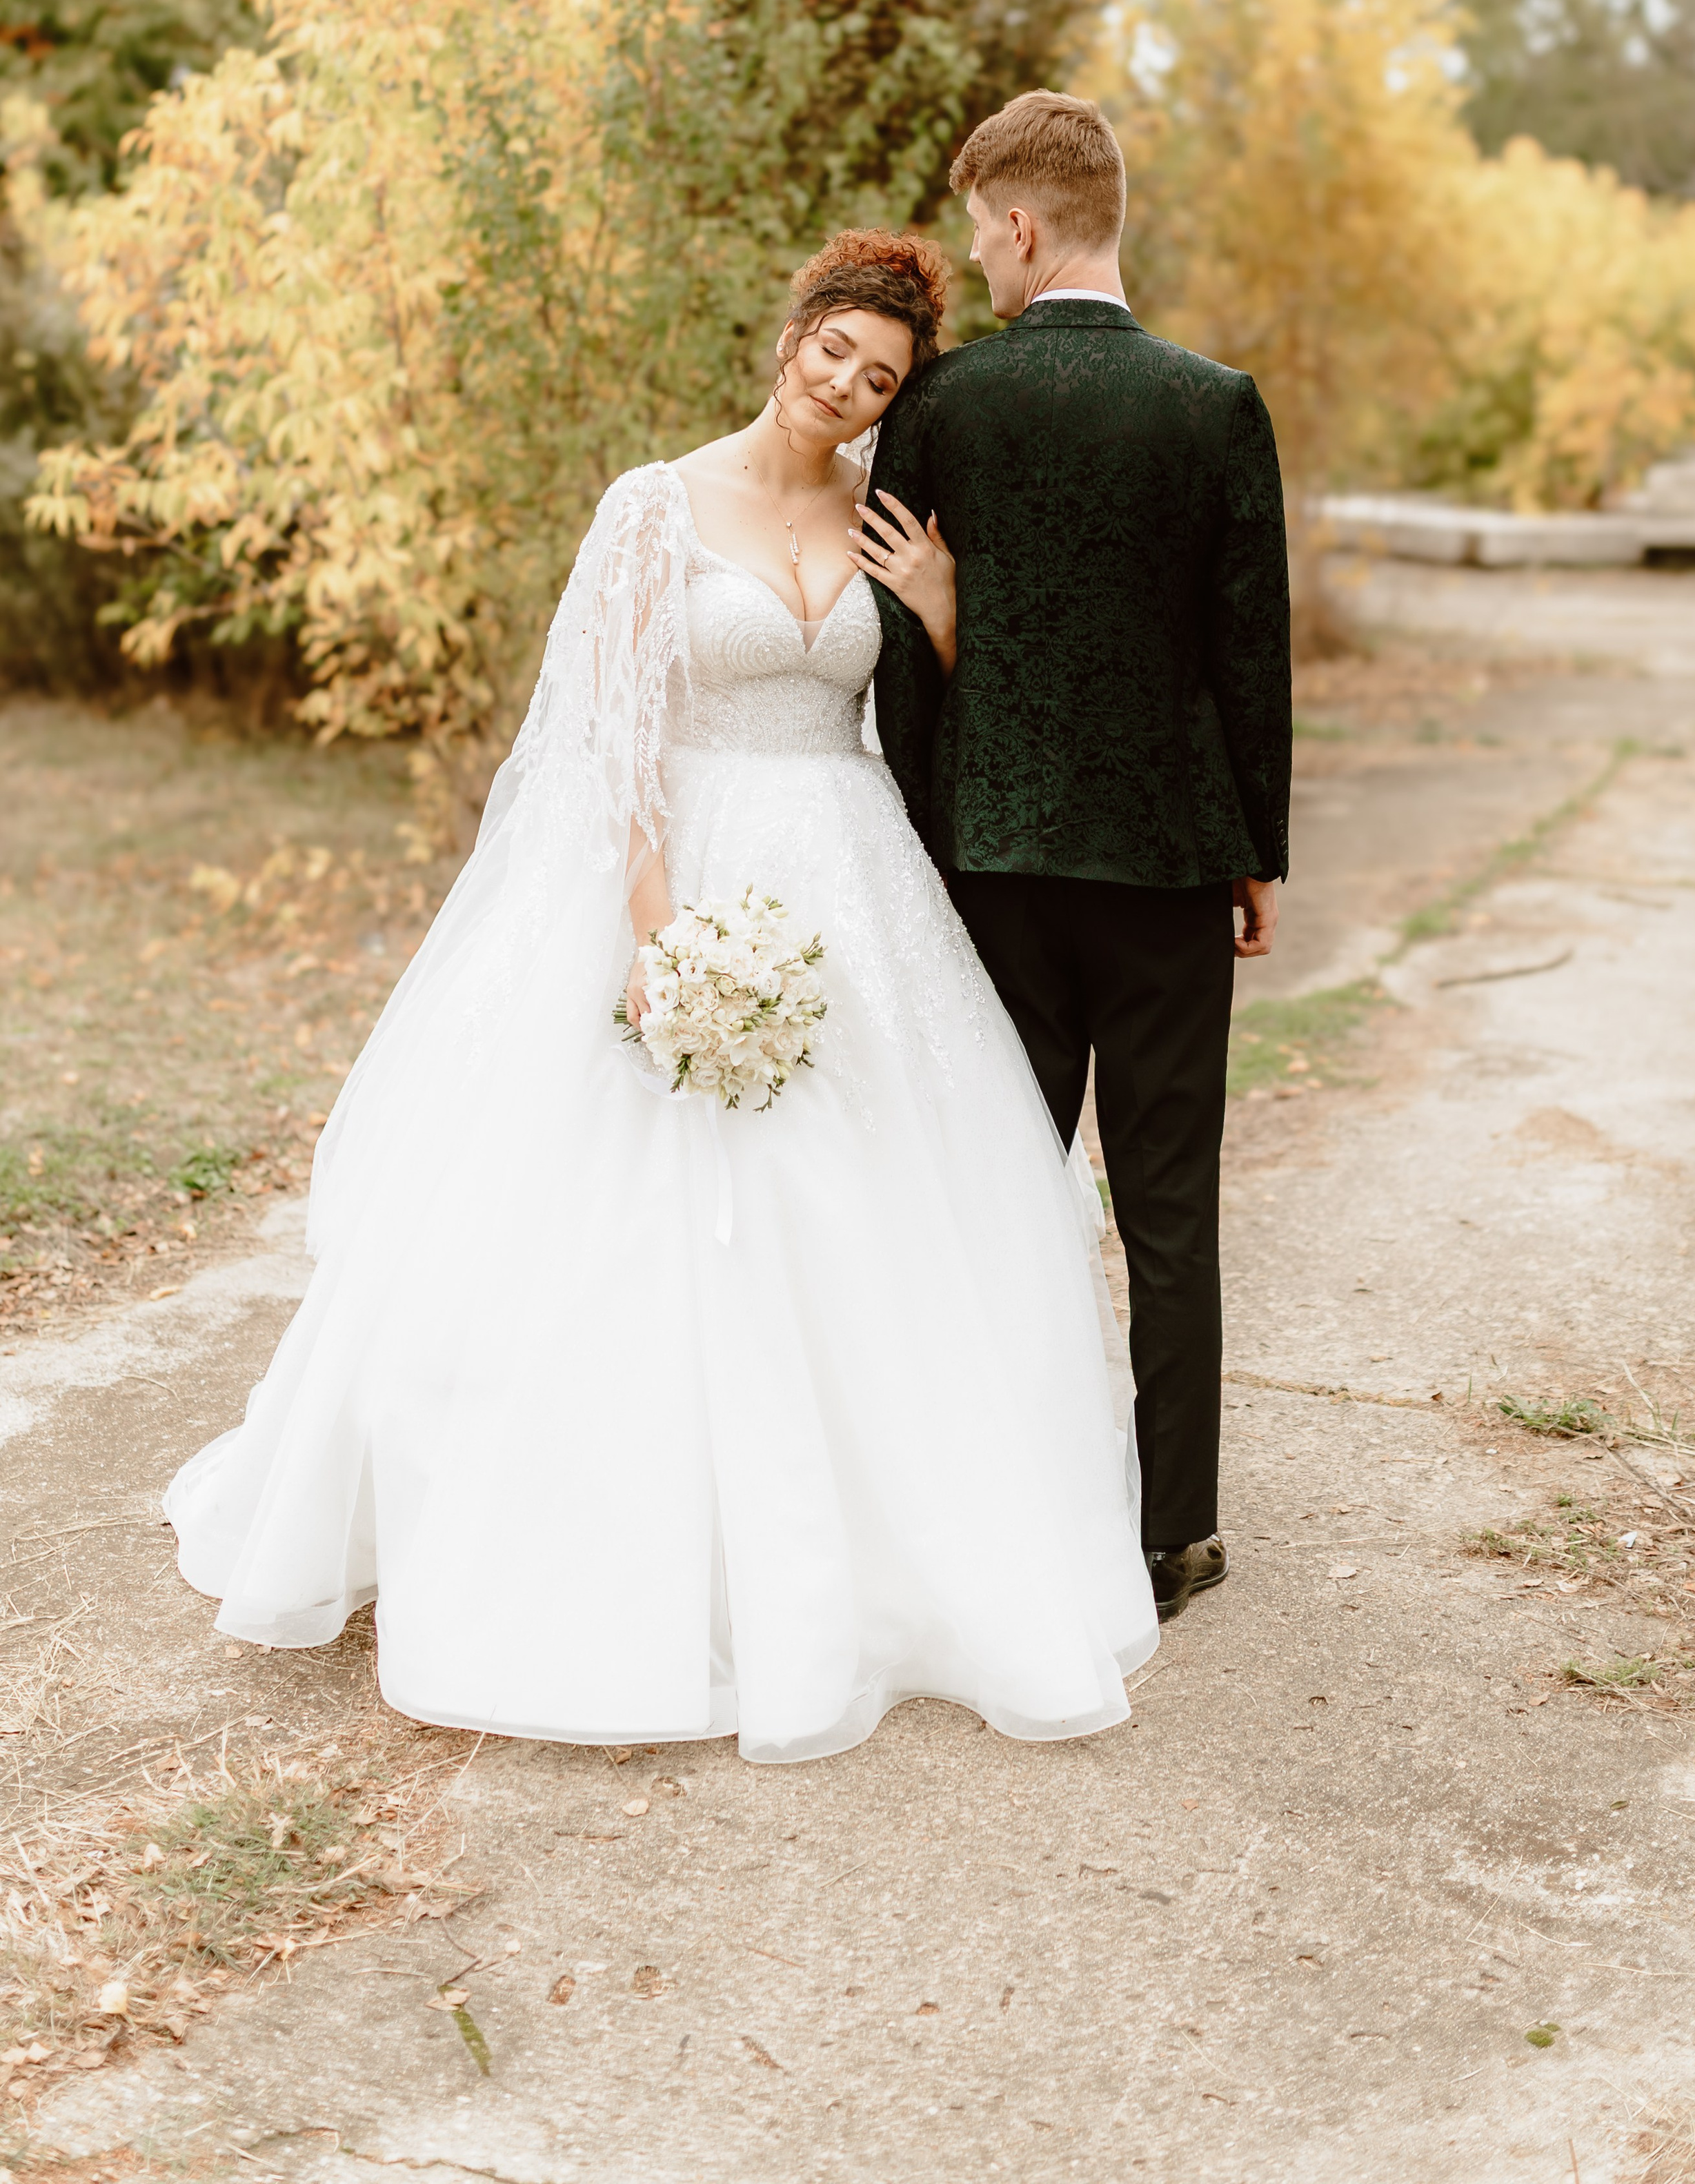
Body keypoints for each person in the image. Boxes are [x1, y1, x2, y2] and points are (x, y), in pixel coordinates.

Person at [165, 228, 1157, 1764]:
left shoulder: (891, 516)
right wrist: (653, 932)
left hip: (847, 875)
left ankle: (872, 1545)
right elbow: (612, 734)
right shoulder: (651, 507)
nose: (845, 382)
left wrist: (944, 609)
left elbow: (926, 712)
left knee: (869, 1206)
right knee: (610, 1201)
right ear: (792, 334)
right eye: (835, 347)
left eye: (879, 375)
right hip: (678, 862)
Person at [862, 95, 1291, 1623]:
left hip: (991, 872)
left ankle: (994, 1497)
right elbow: (1246, 652)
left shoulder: (947, 408)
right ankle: (1172, 1529)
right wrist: (1255, 848)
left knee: (998, 1190)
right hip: (1172, 870)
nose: (975, 256)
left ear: (1025, 227)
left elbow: (900, 659)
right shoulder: (1212, 403)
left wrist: (915, 851)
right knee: (1169, 1208)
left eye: (980, 229)